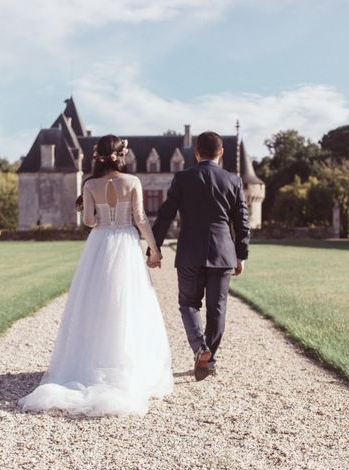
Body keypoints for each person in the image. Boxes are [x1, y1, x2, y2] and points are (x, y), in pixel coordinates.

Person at [19, 134, 173, 416]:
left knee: (95, 301)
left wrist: (88, 207)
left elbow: (89, 221)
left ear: (97, 156)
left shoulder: (90, 184)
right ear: (121, 155)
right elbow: (140, 219)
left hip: (100, 243)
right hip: (126, 243)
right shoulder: (133, 182)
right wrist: (154, 250)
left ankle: (90, 363)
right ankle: (125, 364)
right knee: (129, 302)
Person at [148, 131, 250, 381]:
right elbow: (242, 222)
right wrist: (241, 254)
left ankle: (200, 349)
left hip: (190, 252)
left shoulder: (183, 178)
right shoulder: (233, 180)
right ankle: (208, 358)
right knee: (217, 309)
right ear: (221, 152)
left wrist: (155, 247)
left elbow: (165, 214)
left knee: (188, 303)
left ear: (196, 152)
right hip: (223, 252)